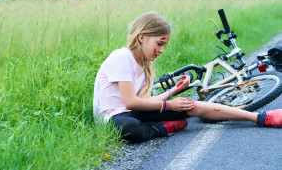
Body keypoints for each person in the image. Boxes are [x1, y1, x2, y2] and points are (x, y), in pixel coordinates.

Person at [93, 12, 282, 143]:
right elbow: (130, 102)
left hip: (135, 112)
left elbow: (145, 102)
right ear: (142, 37)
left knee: (191, 105)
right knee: (130, 128)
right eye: (159, 44)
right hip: (113, 117)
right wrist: (169, 105)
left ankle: (260, 117)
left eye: (164, 45)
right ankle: (160, 129)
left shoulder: (143, 65)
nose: (161, 50)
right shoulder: (121, 57)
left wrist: (174, 92)